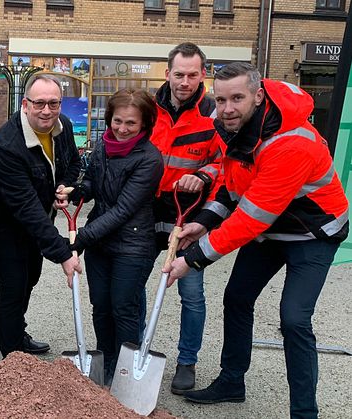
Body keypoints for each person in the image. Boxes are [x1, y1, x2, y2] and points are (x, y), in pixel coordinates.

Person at [166, 62, 349, 418]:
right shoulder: (231, 127)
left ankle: (304, 412)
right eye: (220, 99)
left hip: (313, 230)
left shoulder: (290, 142)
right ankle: (232, 382)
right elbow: (230, 182)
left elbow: (251, 218)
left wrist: (193, 260)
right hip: (272, 228)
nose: (227, 107)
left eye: (237, 98)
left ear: (258, 95)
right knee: (236, 297)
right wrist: (202, 223)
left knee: (294, 318)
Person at [0, 73, 82, 357]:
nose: (47, 111)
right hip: (5, 226)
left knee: (31, 278)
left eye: (53, 103)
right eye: (39, 103)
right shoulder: (6, 146)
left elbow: (72, 163)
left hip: (39, 220)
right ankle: (12, 357)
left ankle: (17, 333)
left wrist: (64, 184)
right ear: (25, 104)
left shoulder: (63, 126)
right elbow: (25, 207)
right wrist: (63, 253)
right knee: (14, 284)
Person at [69, 88, 164, 386]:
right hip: (102, 244)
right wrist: (79, 191)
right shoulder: (103, 146)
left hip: (133, 246)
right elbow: (94, 183)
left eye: (130, 124)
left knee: (124, 307)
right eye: (117, 121)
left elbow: (123, 210)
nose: (122, 129)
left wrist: (80, 238)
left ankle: (126, 371)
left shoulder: (150, 159)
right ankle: (106, 362)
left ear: (145, 125)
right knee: (101, 305)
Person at [150, 42, 223, 394]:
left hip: (188, 215)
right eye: (179, 74)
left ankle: (187, 361)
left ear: (202, 75)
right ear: (167, 73)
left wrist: (204, 175)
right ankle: (135, 350)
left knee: (191, 294)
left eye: (193, 75)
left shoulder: (214, 114)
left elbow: (226, 162)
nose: (185, 81)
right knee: (132, 286)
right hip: (146, 212)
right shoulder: (148, 108)